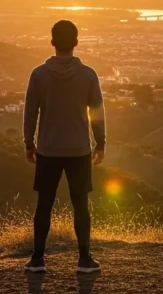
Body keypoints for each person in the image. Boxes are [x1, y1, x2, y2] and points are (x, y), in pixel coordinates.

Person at [23, 20, 106, 274]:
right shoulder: (88, 75)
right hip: (79, 149)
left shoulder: (38, 74)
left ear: (52, 43)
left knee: (44, 204)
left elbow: (30, 112)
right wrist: (100, 143)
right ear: (76, 43)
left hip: (48, 149)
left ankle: (37, 259)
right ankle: (84, 259)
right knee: (80, 204)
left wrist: (29, 143)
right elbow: (97, 113)